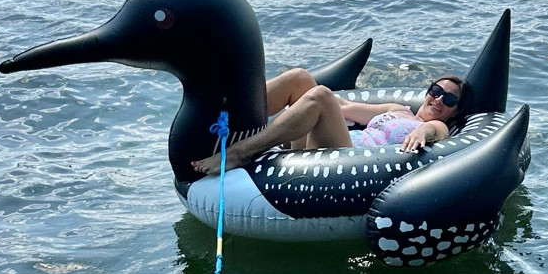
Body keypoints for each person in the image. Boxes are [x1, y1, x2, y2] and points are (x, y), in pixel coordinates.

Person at [192, 70, 468, 175]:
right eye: (436, 91)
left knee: (321, 95)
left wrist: (424, 130)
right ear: (428, 91)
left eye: (449, 100)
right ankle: (224, 115)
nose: (439, 100)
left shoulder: (440, 126)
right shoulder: (398, 109)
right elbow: (344, 107)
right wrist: (302, 94)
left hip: (346, 160)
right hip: (324, 143)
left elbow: (435, 131)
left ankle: (241, 152)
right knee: (299, 78)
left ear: (453, 112)